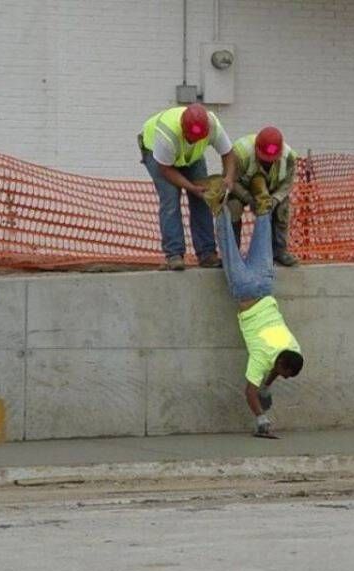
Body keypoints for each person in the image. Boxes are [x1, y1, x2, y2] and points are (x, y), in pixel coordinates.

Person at [202, 174, 304, 436]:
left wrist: (267, 385)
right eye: (284, 373)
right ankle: (217, 200)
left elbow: (279, 368)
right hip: (245, 291)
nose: (282, 375)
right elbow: (249, 391)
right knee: (227, 240)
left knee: (262, 233)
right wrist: (262, 420)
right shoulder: (262, 357)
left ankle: (262, 198)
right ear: (280, 365)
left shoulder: (292, 348)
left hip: (265, 284)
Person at [139, 104, 236, 270]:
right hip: (156, 153)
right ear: (183, 129)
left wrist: (228, 178)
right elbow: (166, 169)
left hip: (191, 157)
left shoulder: (213, 126)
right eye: (190, 137)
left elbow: (228, 153)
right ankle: (174, 255)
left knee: (203, 198)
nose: (194, 141)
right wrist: (191, 187)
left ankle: (207, 254)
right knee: (170, 200)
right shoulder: (167, 133)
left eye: (198, 138)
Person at [228, 127, 299, 267]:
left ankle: (279, 251)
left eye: (271, 160)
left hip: (273, 187)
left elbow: (287, 184)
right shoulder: (240, 153)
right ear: (256, 149)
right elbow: (231, 181)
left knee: (282, 209)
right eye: (264, 159)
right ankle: (234, 254)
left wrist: (275, 199)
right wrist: (248, 199)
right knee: (233, 208)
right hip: (242, 186)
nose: (268, 162)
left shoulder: (289, 157)